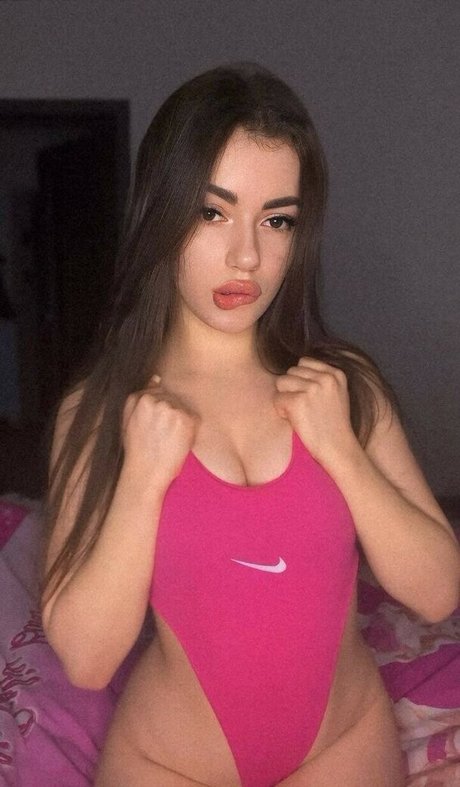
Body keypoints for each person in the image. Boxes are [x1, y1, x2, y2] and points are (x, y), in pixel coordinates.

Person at [40, 62, 460, 787]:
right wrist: (142, 478)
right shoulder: (102, 407)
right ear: (161, 212)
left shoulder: (343, 387)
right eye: (213, 213)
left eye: (276, 220)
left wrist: (341, 450)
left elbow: (437, 592)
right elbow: (86, 659)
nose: (247, 256)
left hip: (341, 748)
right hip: (168, 763)